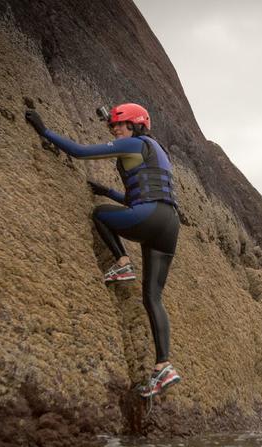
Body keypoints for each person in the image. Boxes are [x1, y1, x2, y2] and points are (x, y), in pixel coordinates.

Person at [24, 104, 180, 398]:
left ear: (134, 125)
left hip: (151, 217)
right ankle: (164, 366)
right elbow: (144, 196)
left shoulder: (133, 143)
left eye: (119, 126)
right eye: (112, 128)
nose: (114, 131)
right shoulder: (156, 152)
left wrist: (44, 130)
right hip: (169, 224)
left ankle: (122, 262)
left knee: (100, 215)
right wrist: (108, 191)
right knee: (152, 297)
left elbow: (81, 152)